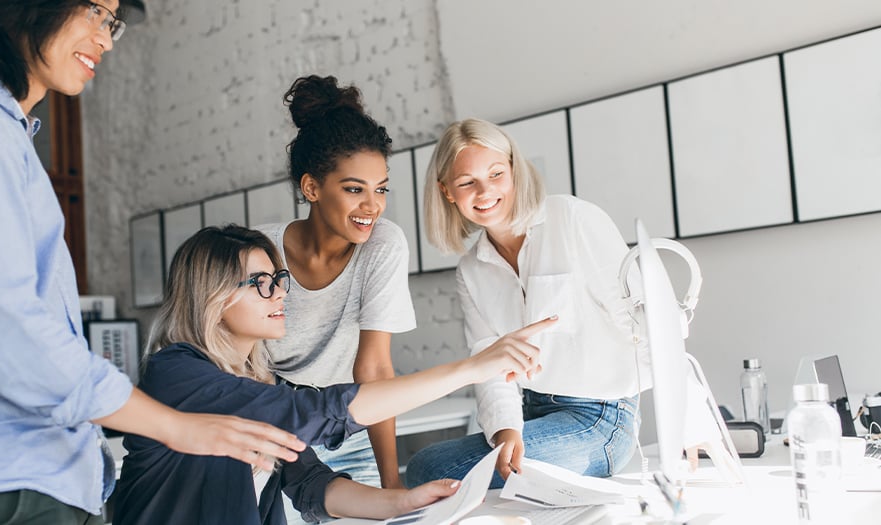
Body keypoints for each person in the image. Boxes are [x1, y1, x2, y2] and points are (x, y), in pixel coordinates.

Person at [0, 2, 305, 523]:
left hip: (36, 483)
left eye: (110, 22)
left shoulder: (2, 136)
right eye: (96, 12)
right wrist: (177, 426)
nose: (107, 40)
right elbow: (14, 337)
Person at [113, 225, 554, 525]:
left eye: (278, 279)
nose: (279, 293)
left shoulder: (262, 384)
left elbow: (310, 483)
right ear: (212, 296)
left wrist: (401, 503)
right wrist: (472, 367)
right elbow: (320, 412)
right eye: (260, 282)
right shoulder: (176, 374)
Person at [406, 118, 642, 489]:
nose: (484, 192)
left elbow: (642, 322)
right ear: (447, 192)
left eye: (496, 174)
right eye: (467, 182)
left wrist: (688, 419)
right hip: (529, 414)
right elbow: (489, 363)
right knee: (424, 464)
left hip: (600, 419)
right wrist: (505, 431)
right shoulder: (471, 270)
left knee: (434, 472)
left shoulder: (573, 219)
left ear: (515, 170)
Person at [256, 75, 412, 489]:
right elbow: (241, 367)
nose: (372, 206)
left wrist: (391, 483)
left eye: (381, 189)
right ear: (312, 187)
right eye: (353, 189)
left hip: (351, 432)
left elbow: (375, 366)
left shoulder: (383, 245)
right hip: (274, 435)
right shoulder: (258, 252)